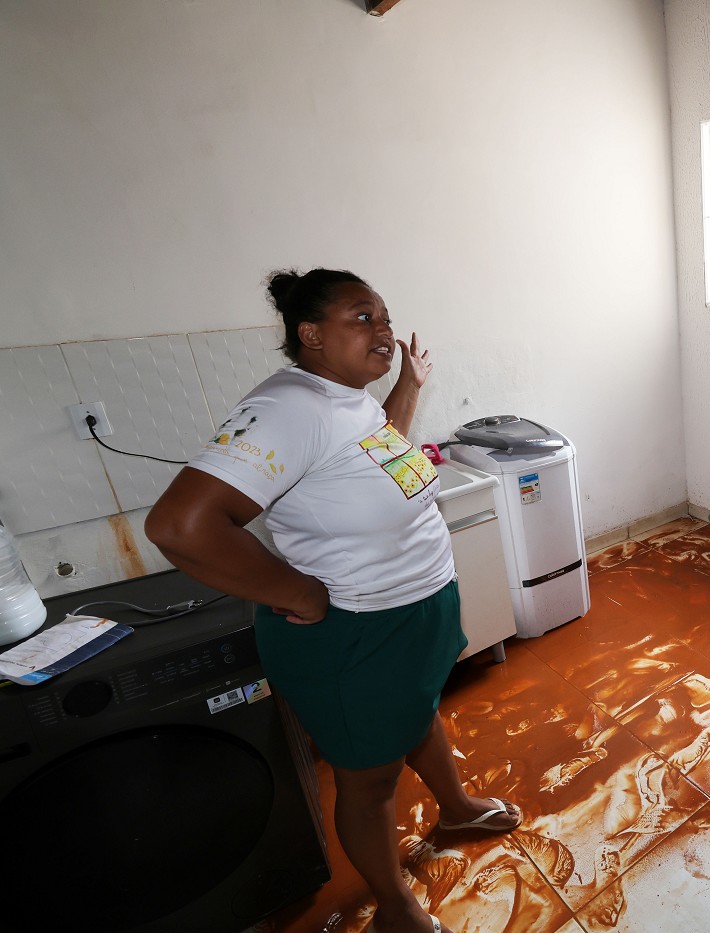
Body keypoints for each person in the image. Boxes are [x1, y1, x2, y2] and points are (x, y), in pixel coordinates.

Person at [145, 269, 520, 933]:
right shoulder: (290, 406)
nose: (383, 331)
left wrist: (409, 385)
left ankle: (456, 808)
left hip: (415, 610)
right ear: (311, 334)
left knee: (418, 713)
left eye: (385, 317)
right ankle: (395, 908)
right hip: (354, 632)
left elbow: (379, 451)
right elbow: (181, 525)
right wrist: (300, 591)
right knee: (369, 780)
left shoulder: (346, 399)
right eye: (362, 317)